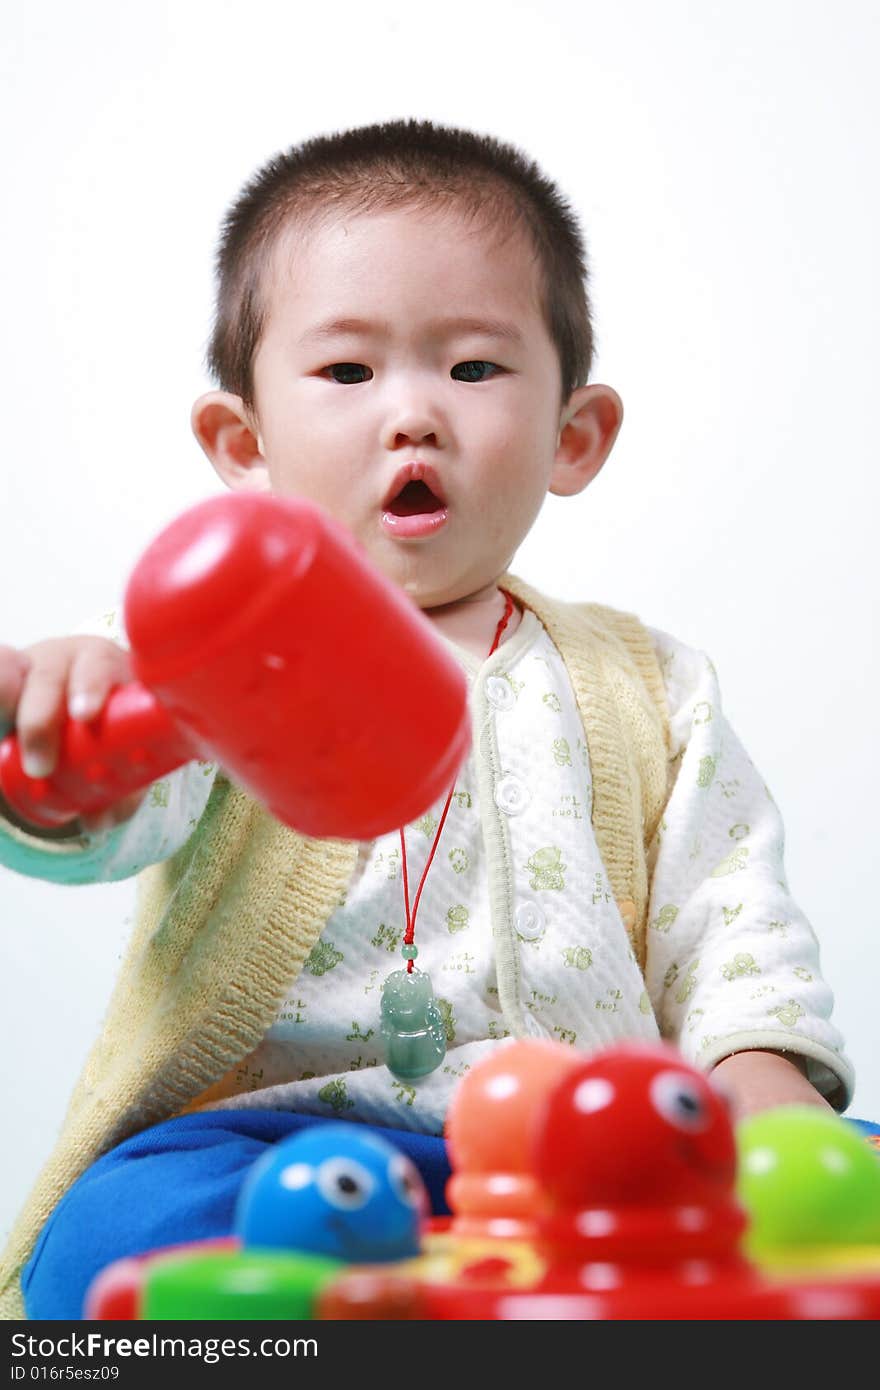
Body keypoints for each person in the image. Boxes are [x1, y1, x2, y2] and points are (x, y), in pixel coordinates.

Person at [0, 118, 852, 1320]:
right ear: (243, 444)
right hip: (287, 1145)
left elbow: (729, 917)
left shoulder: (655, 681)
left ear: (574, 435)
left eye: (472, 368)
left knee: (842, 1171)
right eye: (348, 373)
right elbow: (124, 801)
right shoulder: (203, 651)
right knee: (116, 1229)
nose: (412, 416)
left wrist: (759, 1076)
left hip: (592, 1146)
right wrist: (69, 768)